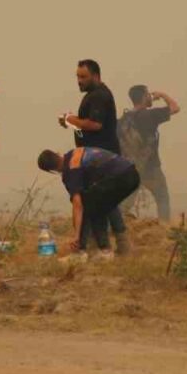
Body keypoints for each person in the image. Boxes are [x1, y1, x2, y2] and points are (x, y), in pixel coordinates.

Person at [57, 59, 130, 253]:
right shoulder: (92, 95)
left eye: (83, 77)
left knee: (104, 202)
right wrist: (70, 123)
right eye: (77, 77)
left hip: (102, 160)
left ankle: (118, 244)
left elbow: (95, 125)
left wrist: (72, 119)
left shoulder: (99, 96)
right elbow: (85, 129)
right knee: (99, 202)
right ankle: (98, 245)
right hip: (92, 159)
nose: (79, 81)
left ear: (96, 76)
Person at [37, 147, 140, 258]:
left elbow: (78, 204)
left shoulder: (71, 171)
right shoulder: (74, 153)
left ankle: (102, 249)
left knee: (91, 204)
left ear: (52, 170)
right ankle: (122, 247)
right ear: (57, 154)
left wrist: (76, 236)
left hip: (120, 177)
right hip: (132, 173)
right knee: (104, 202)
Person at [118, 85, 179, 222]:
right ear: (144, 97)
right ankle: (164, 228)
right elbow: (175, 107)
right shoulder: (150, 115)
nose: (151, 97)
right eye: (148, 94)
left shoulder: (124, 119)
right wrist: (162, 94)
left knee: (125, 203)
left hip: (131, 168)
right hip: (151, 167)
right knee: (162, 197)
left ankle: (116, 228)